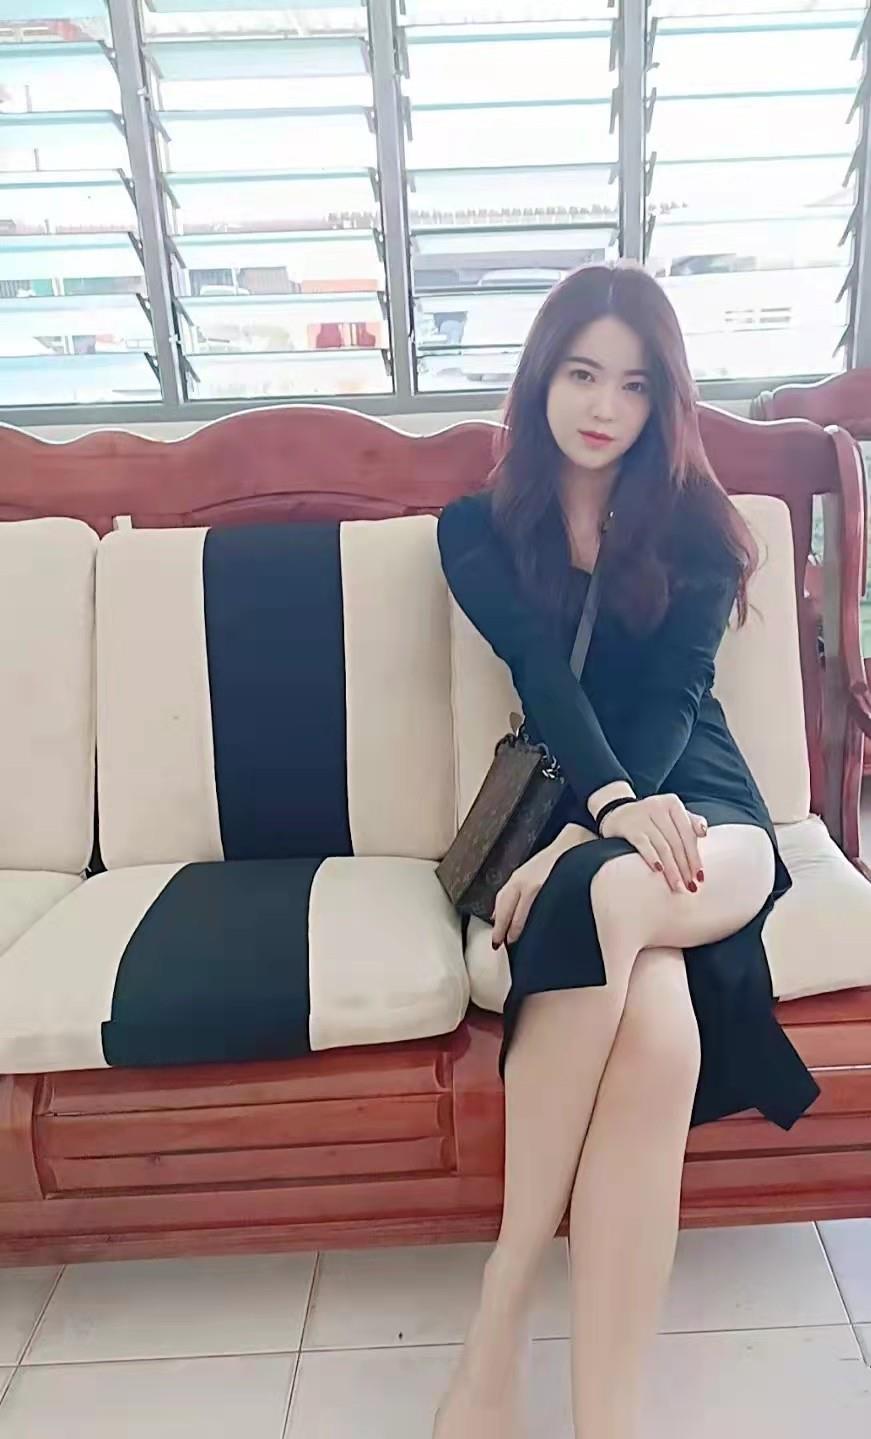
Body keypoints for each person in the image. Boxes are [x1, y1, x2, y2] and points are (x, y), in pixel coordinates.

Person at [433, 262, 820, 1439]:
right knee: (655, 1040)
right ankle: (606, 1415)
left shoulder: (698, 528)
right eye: (582, 373)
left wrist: (588, 836)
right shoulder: (476, 528)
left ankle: (499, 1312)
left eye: (636, 384)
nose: (605, 405)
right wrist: (594, 817)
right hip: (597, 806)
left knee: (603, 897)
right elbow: (541, 676)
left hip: (707, 816)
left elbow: (674, 698)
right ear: (540, 378)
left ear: (665, 401)